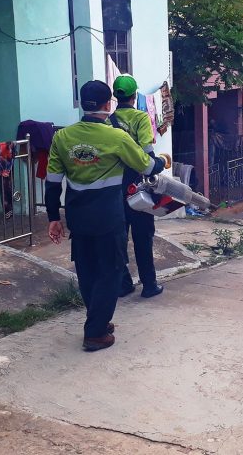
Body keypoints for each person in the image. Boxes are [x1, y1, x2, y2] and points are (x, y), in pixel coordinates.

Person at [45, 80, 168, 352]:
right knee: (110, 270)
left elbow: (52, 181)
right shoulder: (117, 137)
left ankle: (97, 319)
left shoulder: (62, 137)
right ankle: (95, 332)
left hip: (77, 216)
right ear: (107, 105)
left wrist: (53, 217)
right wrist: (162, 161)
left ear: (82, 103)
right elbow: (147, 166)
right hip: (108, 217)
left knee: (87, 269)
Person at [110, 74, 164, 299]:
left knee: (118, 238)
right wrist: (159, 163)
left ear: (115, 96)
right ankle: (149, 285)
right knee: (143, 237)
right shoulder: (141, 118)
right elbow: (147, 155)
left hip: (115, 188)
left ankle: (123, 284)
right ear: (134, 96)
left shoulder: (108, 122)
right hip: (138, 187)